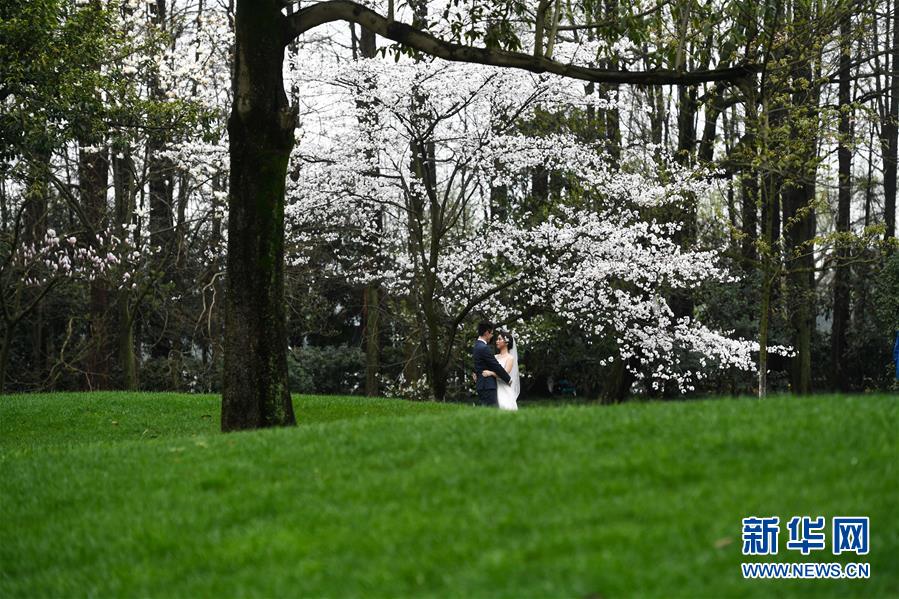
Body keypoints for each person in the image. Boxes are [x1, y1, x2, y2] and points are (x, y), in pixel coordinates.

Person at [472, 321, 511, 407]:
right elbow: (495, 366)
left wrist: (475, 372)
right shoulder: (484, 348)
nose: (492, 336)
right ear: (486, 333)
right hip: (487, 385)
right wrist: (508, 379)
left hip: (482, 385)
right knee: (491, 412)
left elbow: (479, 363)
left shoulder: (476, 346)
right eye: (492, 333)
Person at [482, 329, 520, 410]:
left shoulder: (510, 358)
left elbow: (504, 375)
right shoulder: (495, 357)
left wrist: (491, 373)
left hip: (504, 389)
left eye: (499, 339)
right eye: (497, 339)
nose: (497, 341)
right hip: (493, 388)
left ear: (506, 342)